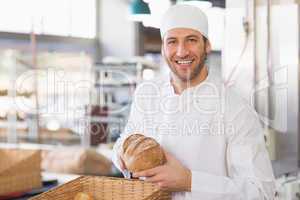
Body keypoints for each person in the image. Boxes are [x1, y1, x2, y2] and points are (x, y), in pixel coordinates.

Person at [112, 4, 276, 200]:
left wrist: (189, 181)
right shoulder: (147, 94)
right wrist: (121, 154)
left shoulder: (235, 109)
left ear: (206, 45)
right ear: (163, 47)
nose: (181, 52)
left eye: (191, 40)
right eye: (172, 41)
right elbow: (126, 140)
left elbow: (261, 192)